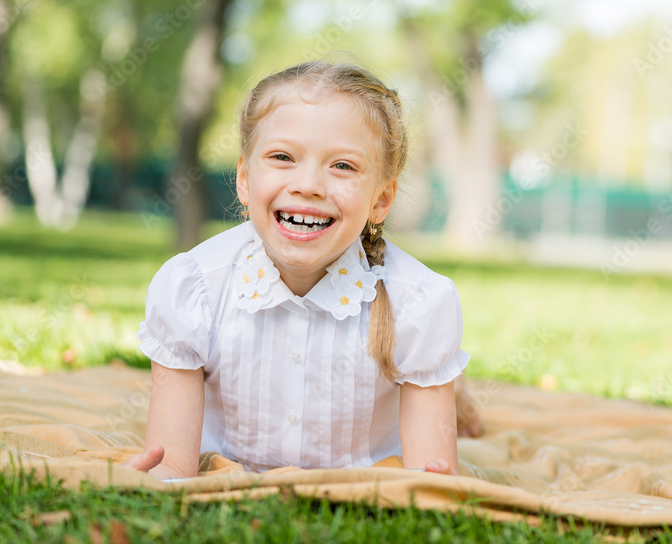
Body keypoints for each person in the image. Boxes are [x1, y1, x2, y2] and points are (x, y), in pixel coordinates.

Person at [125, 61, 477, 479]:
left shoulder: (417, 301)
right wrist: (157, 475)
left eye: (342, 165)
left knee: (446, 399)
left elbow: (431, 480)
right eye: (282, 157)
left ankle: (457, 396)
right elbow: (170, 467)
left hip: (369, 470)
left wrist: (431, 476)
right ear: (244, 178)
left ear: (381, 200)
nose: (307, 184)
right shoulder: (194, 287)